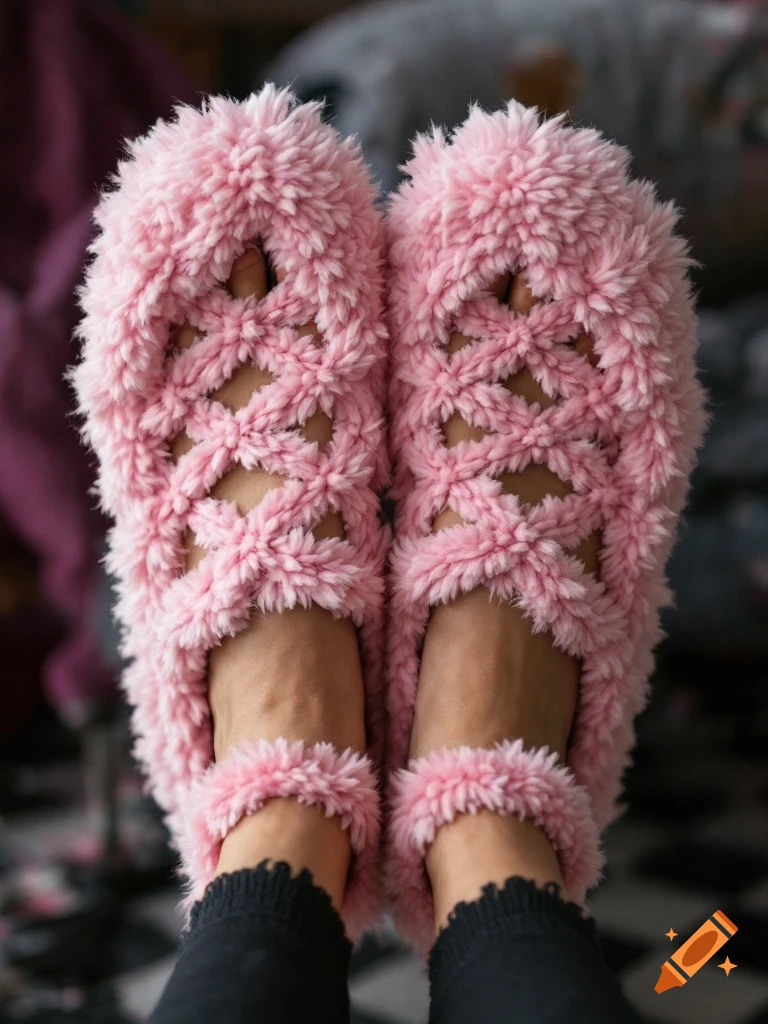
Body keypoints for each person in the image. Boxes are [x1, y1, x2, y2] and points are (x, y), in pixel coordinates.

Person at [72, 87, 703, 1024]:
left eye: (709, 959)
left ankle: (282, 803)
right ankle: (487, 809)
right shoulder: (708, 952)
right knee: (518, 882)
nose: (708, 957)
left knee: (266, 874)